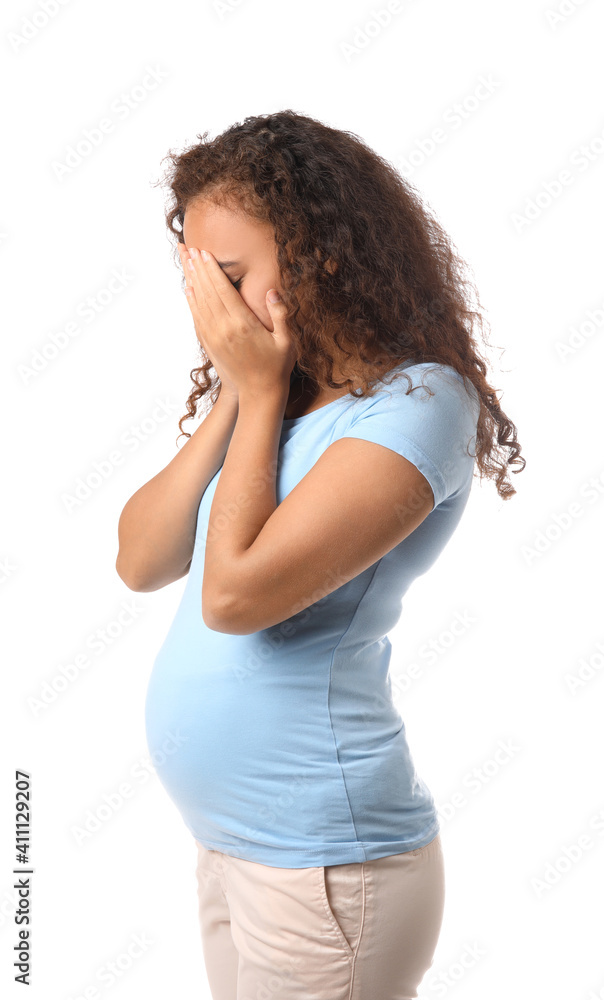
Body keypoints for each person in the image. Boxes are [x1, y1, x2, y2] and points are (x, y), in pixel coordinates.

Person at [116, 110, 525, 1000]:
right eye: (198, 283)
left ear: (322, 256)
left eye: (229, 278)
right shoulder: (279, 397)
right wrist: (242, 394)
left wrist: (257, 394)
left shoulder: (420, 402)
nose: (212, 311)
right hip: (234, 848)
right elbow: (141, 561)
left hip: (329, 874)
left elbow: (232, 599)